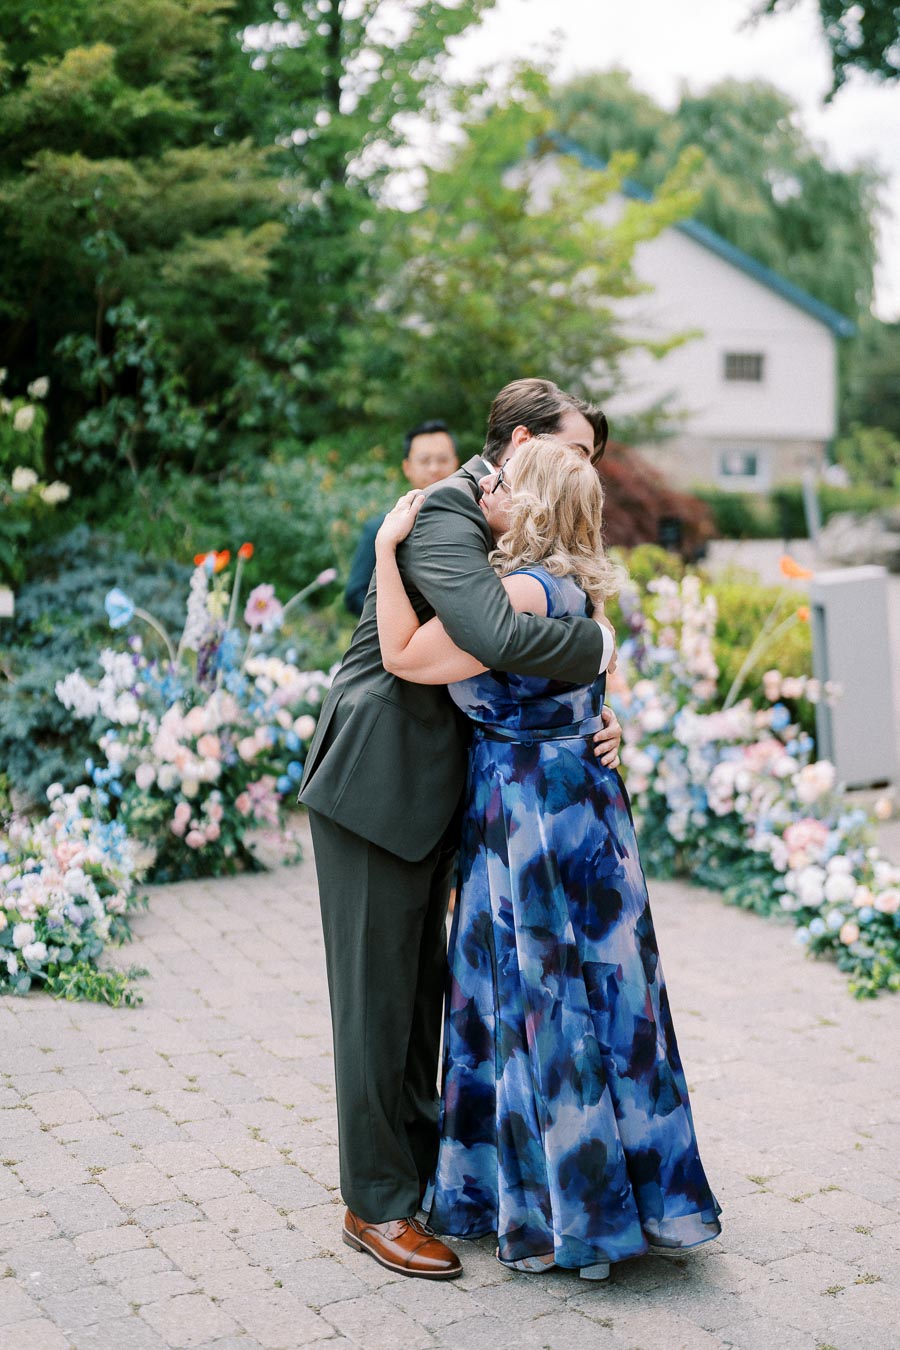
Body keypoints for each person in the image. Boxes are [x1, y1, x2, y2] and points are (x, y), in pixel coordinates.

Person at [373, 434, 721, 1280]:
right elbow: (598, 682)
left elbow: (402, 657)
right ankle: (633, 1203)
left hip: (525, 816)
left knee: (541, 1009)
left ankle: (573, 1219)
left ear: (528, 504)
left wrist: (387, 550)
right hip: (586, 812)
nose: (487, 488)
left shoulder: (518, 596)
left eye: (505, 482)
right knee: (606, 998)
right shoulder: (577, 594)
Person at [298, 379, 623, 1280]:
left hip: (452, 796)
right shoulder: (445, 511)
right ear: (520, 443)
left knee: (420, 998)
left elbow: (534, 628)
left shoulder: (515, 524)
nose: (581, 471)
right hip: (378, 785)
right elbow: (494, 631)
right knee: (375, 1007)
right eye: (573, 453)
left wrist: (599, 696)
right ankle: (376, 1206)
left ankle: (422, 1175)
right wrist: (597, 645)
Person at [343, 420, 460, 616]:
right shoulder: (380, 528)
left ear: (456, 463)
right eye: (424, 460)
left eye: (442, 459)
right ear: (407, 467)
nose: (434, 469)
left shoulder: (475, 520)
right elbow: (355, 594)